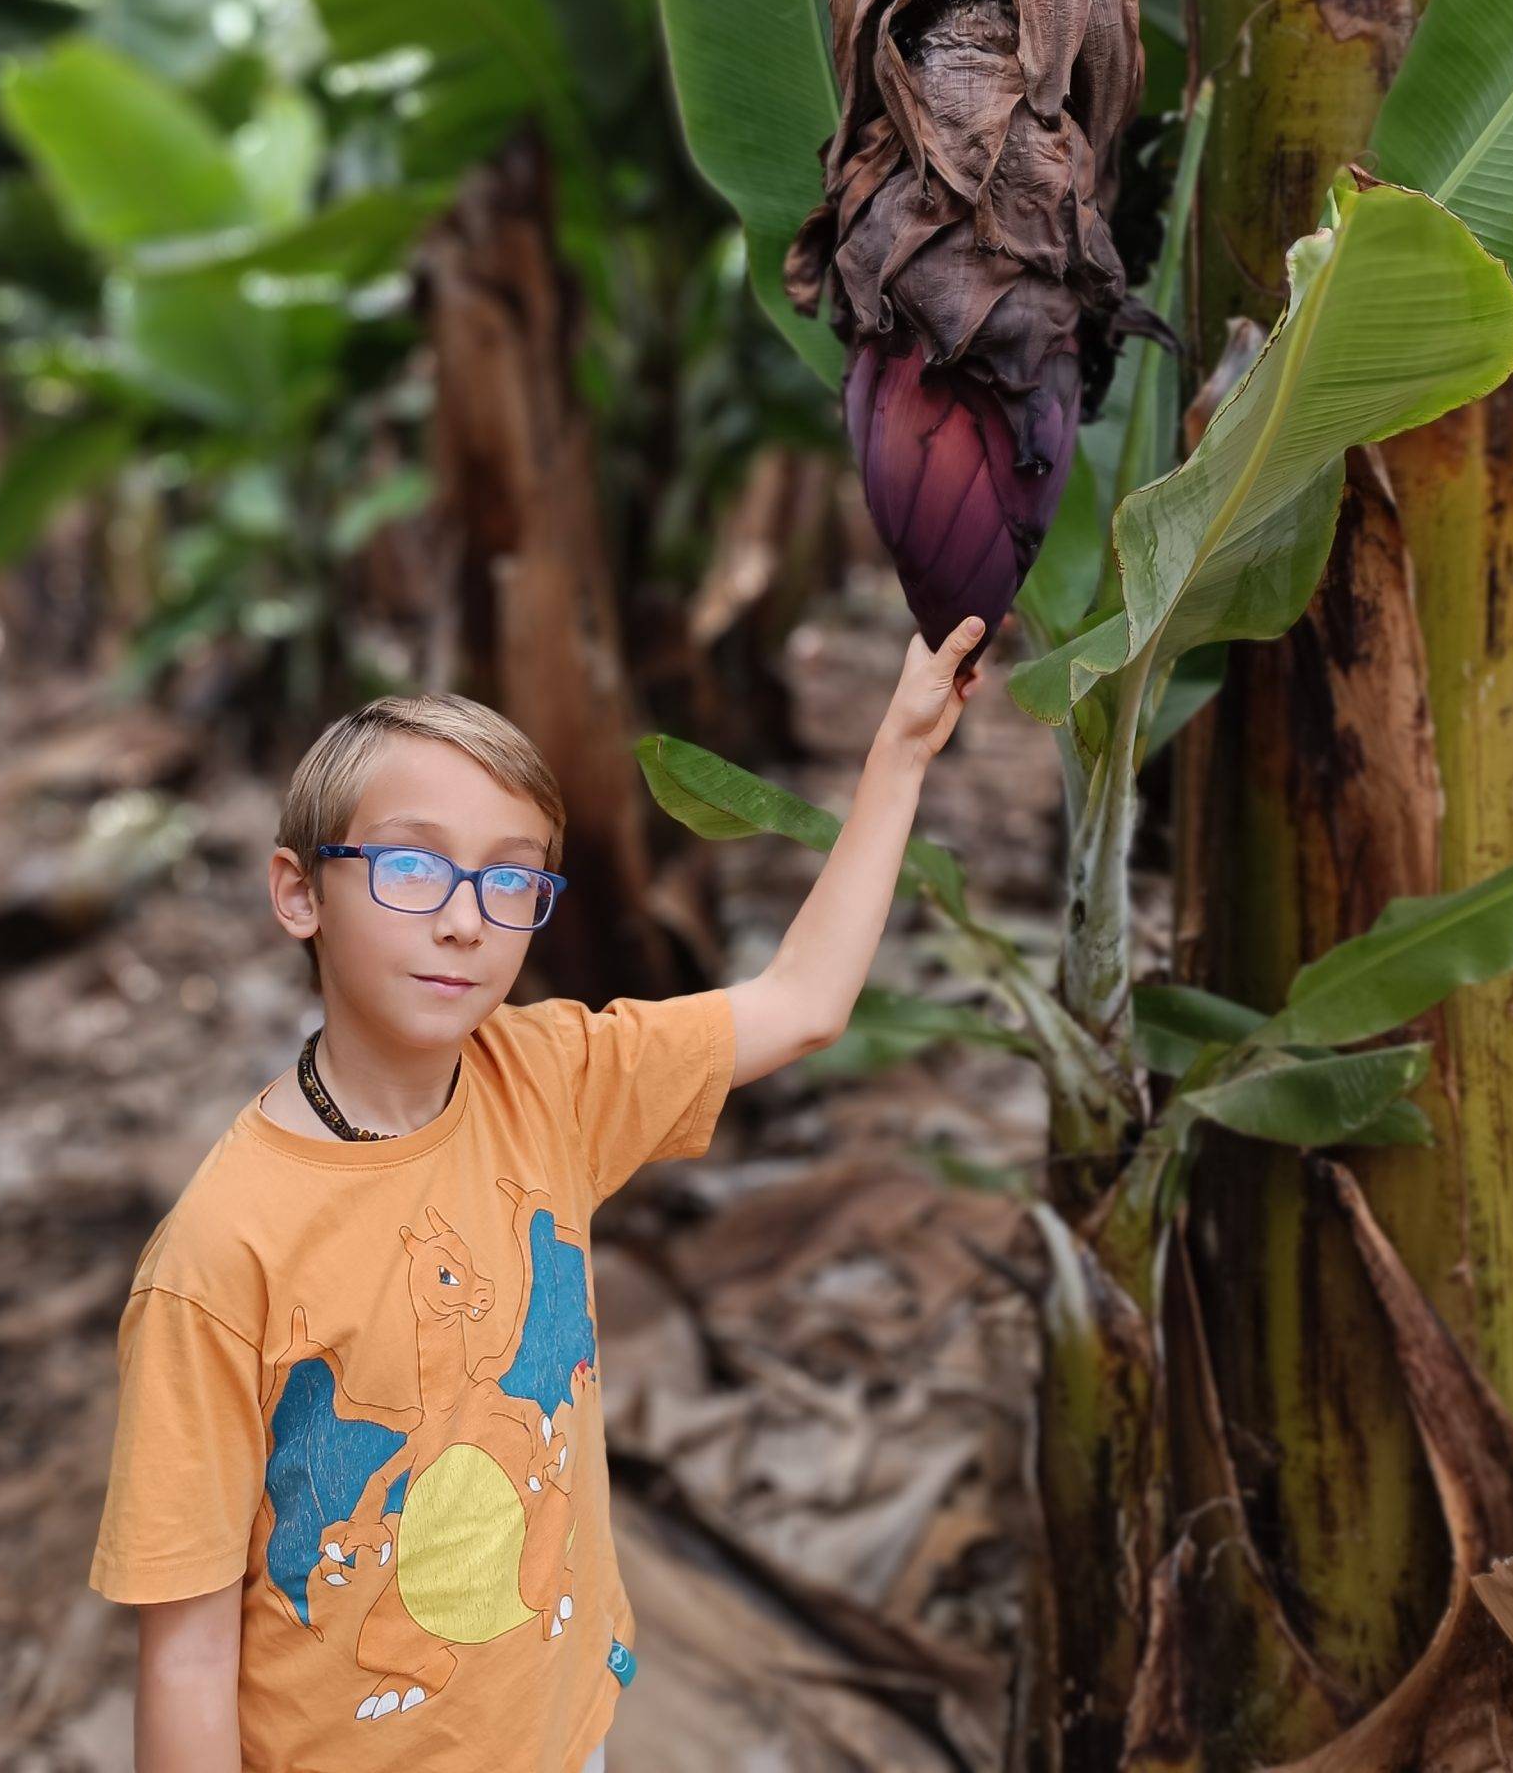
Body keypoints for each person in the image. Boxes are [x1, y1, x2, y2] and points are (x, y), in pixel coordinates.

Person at [90, 616, 986, 1772]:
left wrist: (900, 753)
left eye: (509, 876)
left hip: (564, 1741)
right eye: (413, 866)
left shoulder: (546, 1078)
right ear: (299, 893)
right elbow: (189, 1654)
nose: (465, 916)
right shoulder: (221, 1251)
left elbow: (805, 999)